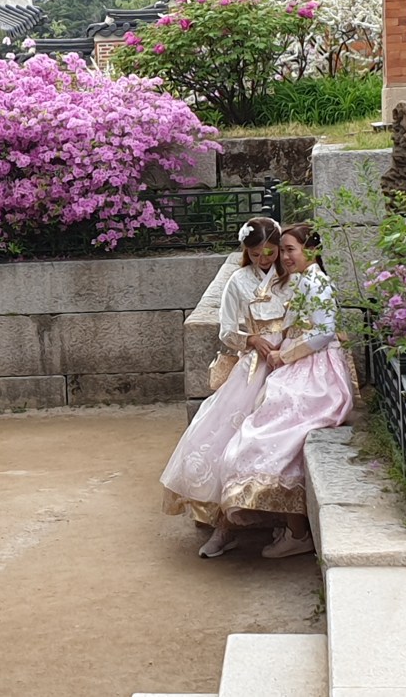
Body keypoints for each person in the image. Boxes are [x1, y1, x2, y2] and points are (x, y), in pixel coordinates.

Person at [217, 223, 355, 558]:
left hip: (314, 370)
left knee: (269, 430)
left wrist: (285, 355)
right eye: (284, 250)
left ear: (311, 250)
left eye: (288, 250)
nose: (282, 257)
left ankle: (296, 531)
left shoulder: (314, 281)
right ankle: (286, 526)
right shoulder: (302, 279)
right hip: (293, 363)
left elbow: (323, 333)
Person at [160, 216, 290, 558]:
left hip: (289, 362)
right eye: (256, 254)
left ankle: (288, 524)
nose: (264, 260)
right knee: (225, 440)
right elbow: (227, 330)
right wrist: (253, 340)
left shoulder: (292, 278)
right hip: (253, 366)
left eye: (270, 252)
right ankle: (224, 526)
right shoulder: (238, 281)